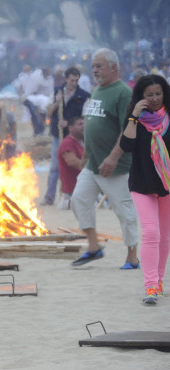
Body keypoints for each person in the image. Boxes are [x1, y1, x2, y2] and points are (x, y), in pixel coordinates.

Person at [71, 48, 139, 269]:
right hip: (93, 164)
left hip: (116, 166)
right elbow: (93, 125)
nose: (94, 70)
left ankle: (132, 257)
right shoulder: (98, 90)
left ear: (114, 67)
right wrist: (86, 154)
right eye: (93, 66)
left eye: (99, 66)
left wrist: (112, 158)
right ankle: (94, 247)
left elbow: (127, 129)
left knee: (124, 212)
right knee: (79, 200)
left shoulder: (123, 93)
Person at [120, 75, 170, 304]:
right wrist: (134, 116)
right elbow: (126, 145)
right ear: (141, 97)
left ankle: (159, 282)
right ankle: (150, 287)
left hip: (166, 184)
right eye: (149, 95)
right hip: (141, 183)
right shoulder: (135, 119)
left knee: (165, 237)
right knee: (151, 233)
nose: (154, 99)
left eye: (158, 94)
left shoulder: (168, 117)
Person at [43, 66, 91, 205]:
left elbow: (84, 117)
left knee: (79, 163)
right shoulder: (56, 92)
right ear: (66, 79)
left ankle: (78, 195)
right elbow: (48, 112)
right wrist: (57, 103)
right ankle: (49, 197)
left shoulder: (84, 95)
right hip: (59, 136)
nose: (74, 83)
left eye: (77, 80)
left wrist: (69, 122)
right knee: (55, 167)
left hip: (76, 137)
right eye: (72, 80)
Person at [57, 116, 86, 210]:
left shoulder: (82, 142)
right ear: (71, 128)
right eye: (80, 124)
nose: (84, 126)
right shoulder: (68, 143)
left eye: (84, 124)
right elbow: (72, 162)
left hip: (82, 188)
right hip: (73, 190)